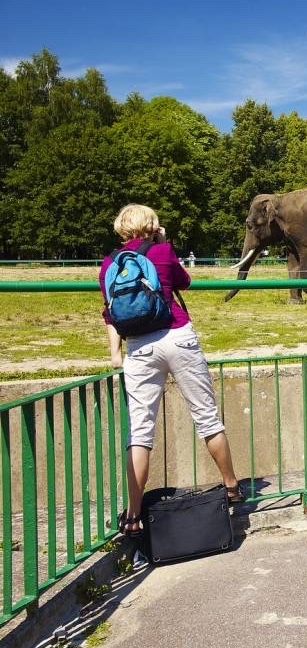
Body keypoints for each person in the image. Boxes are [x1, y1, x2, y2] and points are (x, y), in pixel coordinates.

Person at [100, 204, 244, 539]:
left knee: (140, 432)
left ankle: (133, 515)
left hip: (139, 347)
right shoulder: (163, 251)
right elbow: (185, 282)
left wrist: (115, 353)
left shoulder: (109, 263)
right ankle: (232, 486)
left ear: (121, 229)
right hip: (177, 336)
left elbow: (109, 313)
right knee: (207, 417)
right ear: (151, 226)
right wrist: (165, 244)